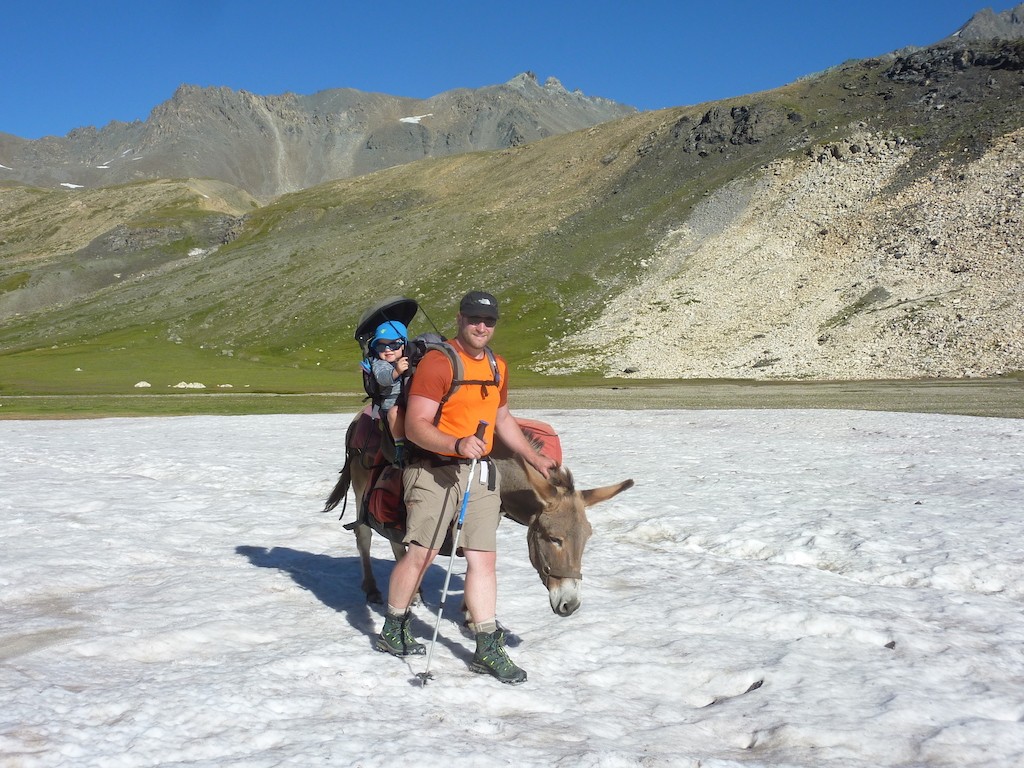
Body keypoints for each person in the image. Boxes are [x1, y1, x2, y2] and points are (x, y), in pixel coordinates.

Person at [375, 290, 556, 685]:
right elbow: (416, 425)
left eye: (488, 321)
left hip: (478, 473)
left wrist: (532, 457)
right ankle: (395, 626)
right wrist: (455, 443)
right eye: (474, 319)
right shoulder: (438, 364)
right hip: (433, 470)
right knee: (420, 554)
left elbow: (502, 418)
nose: (481, 327)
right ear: (459, 319)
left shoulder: (497, 366)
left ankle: (486, 645)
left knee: (482, 559)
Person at [368, 320, 409, 464]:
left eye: (393, 344)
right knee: (394, 413)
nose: (387, 349)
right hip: (390, 407)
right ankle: (399, 448)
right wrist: (396, 371)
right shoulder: (380, 364)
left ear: (404, 345)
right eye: (381, 346)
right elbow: (383, 379)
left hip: (411, 404)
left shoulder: (411, 359)